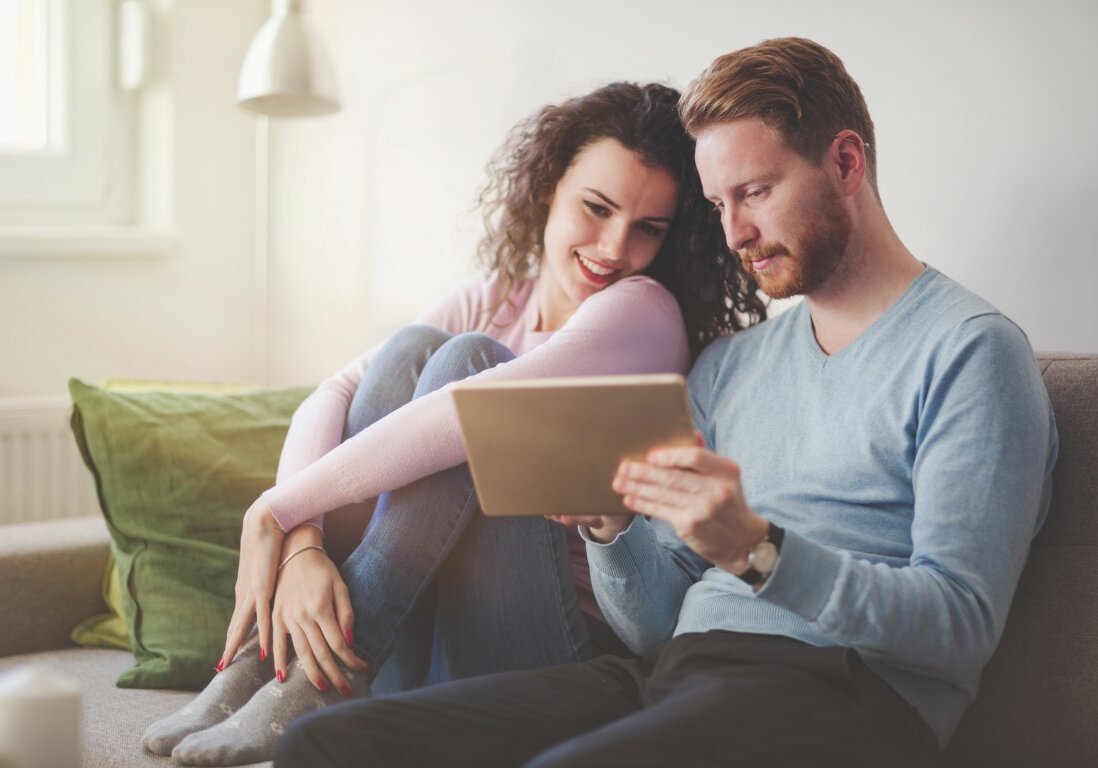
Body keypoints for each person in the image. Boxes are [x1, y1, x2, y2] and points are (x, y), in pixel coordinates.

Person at [273, 37, 1059, 768]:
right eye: (718, 206)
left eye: (755, 191)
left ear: (846, 162)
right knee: (326, 745)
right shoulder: (731, 367)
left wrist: (757, 550)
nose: (737, 233)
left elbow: (959, 629)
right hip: (670, 672)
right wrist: (614, 528)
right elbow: (654, 623)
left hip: (839, 695)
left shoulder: (972, 352)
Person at [141, 82, 765, 766]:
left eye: (650, 227)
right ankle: (284, 666)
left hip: (543, 654)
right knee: (413, 349)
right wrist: (301, 543)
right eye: (598, 207)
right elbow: (337, 388)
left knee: (467, 369)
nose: (616, 246)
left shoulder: (643, 312)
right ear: (549, 187)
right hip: (426, 642)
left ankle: (317, 677)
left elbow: (467, 417)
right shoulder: (495, 297)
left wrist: (276, 508)